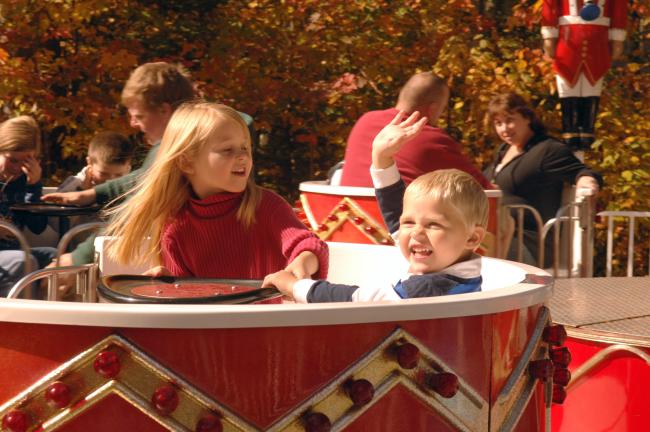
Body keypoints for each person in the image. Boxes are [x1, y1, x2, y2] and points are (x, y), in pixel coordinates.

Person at [263, 112, 487, 302]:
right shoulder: (456, 260)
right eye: (409, 222)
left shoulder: (430, 288)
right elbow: (396, 214)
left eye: (434, 225)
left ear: (472, 238)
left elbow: (357, 301)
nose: (416, 232)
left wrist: (295, 287)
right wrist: (382, 159)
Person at [106, 102, 328, 281]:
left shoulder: (266, 205)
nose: (242, 156)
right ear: (187, 163)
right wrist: (169, 284)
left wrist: (301, 263)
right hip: (213, 331)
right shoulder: (176, 225)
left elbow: (309, 245)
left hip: (268, 327)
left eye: (245, 148)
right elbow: (188, 301)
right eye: (227, 150)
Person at [483, 91, 602, 266]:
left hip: (529, 244)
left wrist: (587, 183)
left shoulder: (547, 150)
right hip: (496, 233)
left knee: (467, 247)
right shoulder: (502, 151)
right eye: (498, 123)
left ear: (527, 118)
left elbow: (581, 172)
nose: (504, 129)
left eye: (510, 120)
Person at [339, 72, 492, 189]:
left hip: (347, 221)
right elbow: (482, 190)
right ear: (433, 108)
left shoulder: (365, 120)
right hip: (399, 225)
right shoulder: (432, 139)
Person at [541, 0, 628, 150]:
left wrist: (617, 39)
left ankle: (587, 133)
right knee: (568, 86)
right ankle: (570, 133)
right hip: (568, 43)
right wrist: (549, 37)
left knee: (592, 86)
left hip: (598, 45)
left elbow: (619, 9)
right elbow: (550, 7)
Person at [0, 116, 56, 296]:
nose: (18, 168)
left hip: (13, 250)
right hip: (13, 256)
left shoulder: (25, 180)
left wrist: (33, 186)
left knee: (57, 257)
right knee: (24, 261)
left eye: (26, 161)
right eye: (13, 160)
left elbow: (37, 227)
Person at [56, 131, 134, 193]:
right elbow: (57, 203)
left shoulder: (134, 183)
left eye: (118, 175)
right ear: (89, 163)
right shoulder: (76, 183)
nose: (110, 180)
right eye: (103, 173)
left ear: (128, 167)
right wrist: (82, 190)